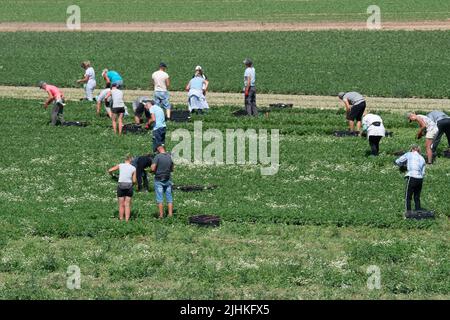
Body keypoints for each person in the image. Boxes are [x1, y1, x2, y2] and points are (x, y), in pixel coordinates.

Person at [395, 145, 426, 218]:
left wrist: (401, 166)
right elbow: (423, 172)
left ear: (412, 149)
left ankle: (408, 213)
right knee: (417, 197)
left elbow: (398, 161)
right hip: (420, 178)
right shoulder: (422, 158)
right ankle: (418, 213)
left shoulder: (409, 154)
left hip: (412, 176)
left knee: (408, 197)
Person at [108, 154, 136, 222]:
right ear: (130, 159)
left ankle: (121, 219)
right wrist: (134, 184)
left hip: (121, 185)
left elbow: (110, 170)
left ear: (125, 159)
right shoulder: (133, 168)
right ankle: (127, 220)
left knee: (121, 204)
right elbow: (134, 181)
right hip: (129, 186)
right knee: (127, 204)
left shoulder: (120, 165)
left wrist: (113, 175)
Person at [151, 145, 174, 218]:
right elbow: (172, 168)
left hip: (159, 180)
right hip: (168, 179)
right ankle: (170, 215)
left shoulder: (157, 157)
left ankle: (161, 216)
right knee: (169, 198)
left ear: (158, 149)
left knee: (160, 198)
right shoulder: (170, 156)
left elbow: (153, 168)